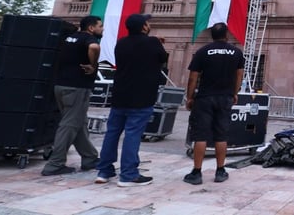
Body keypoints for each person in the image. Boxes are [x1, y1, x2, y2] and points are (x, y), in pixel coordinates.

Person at [95, 14, 167, 187]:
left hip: (120, 94)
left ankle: (104, 171)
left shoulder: (121, 43)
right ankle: (128, 175)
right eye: (147, 23)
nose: (149, 25)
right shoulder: (152, 43)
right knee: (132, 134)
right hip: (141, 96)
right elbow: (162, 59)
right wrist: (157, 43)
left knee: (112, 133)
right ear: (144, 27)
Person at [42, 15, 104, 176]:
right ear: (91, 28)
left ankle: (90, 158)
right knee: (69, 125)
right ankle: (55, 164)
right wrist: (93, 65)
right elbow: (94, 48)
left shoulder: (69, 38)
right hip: (77, 87)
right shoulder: (88, 39)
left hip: (60, 85)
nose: (102, 29)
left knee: (79, 122)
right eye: (100, 26)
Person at [183, 22, 244, 185]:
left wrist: (189, 97)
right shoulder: (236, 53)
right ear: (227, 35)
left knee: (200, 136)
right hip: (225, 98)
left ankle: (196, 172)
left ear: (212, 35)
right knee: (221, 135)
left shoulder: (202, 52)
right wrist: (235, 93)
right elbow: (239, 76)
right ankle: (220, 170)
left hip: (204, 98)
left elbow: (193, 78)